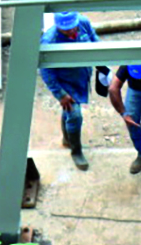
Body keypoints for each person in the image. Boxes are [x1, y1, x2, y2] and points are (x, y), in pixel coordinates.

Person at [39, 10, 100, 170]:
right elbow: (46, 72)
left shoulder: (83, 23)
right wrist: (61, 94)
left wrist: (102, 62)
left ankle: (67, 139)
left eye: (72, 27)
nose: (70, 31)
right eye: (65, 30)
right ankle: (76, 151)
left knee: (68, 112)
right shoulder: (49, 41)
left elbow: (94, 39)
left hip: (81, 76)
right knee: (75, 115)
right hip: (66, 82)